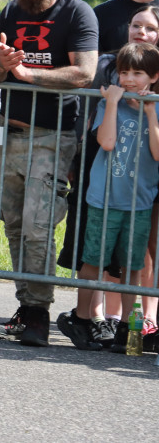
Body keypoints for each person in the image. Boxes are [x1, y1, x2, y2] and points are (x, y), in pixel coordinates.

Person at [0, 0, 98, 347]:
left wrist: (30, 74)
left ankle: (39, 314)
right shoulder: (11, 11)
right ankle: (27, 308)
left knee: (37, 226)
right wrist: (3, 65)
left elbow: (84, 73)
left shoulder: (77, 12)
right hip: (6, 133)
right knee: (14, 225)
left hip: (52, 138)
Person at [57, 42, 159, 351]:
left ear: (153, 78)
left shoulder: (156, 106)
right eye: (124, 72)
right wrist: (113, 103)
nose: (129, 80)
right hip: (103, 199)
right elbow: (108, 142)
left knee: (131, 266)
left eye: (138, 73)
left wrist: (152, 114)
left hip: (138, 202)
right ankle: (84, 317)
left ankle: (127, 326)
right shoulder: (107, 104)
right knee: (93, 260)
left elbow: (157, 152)